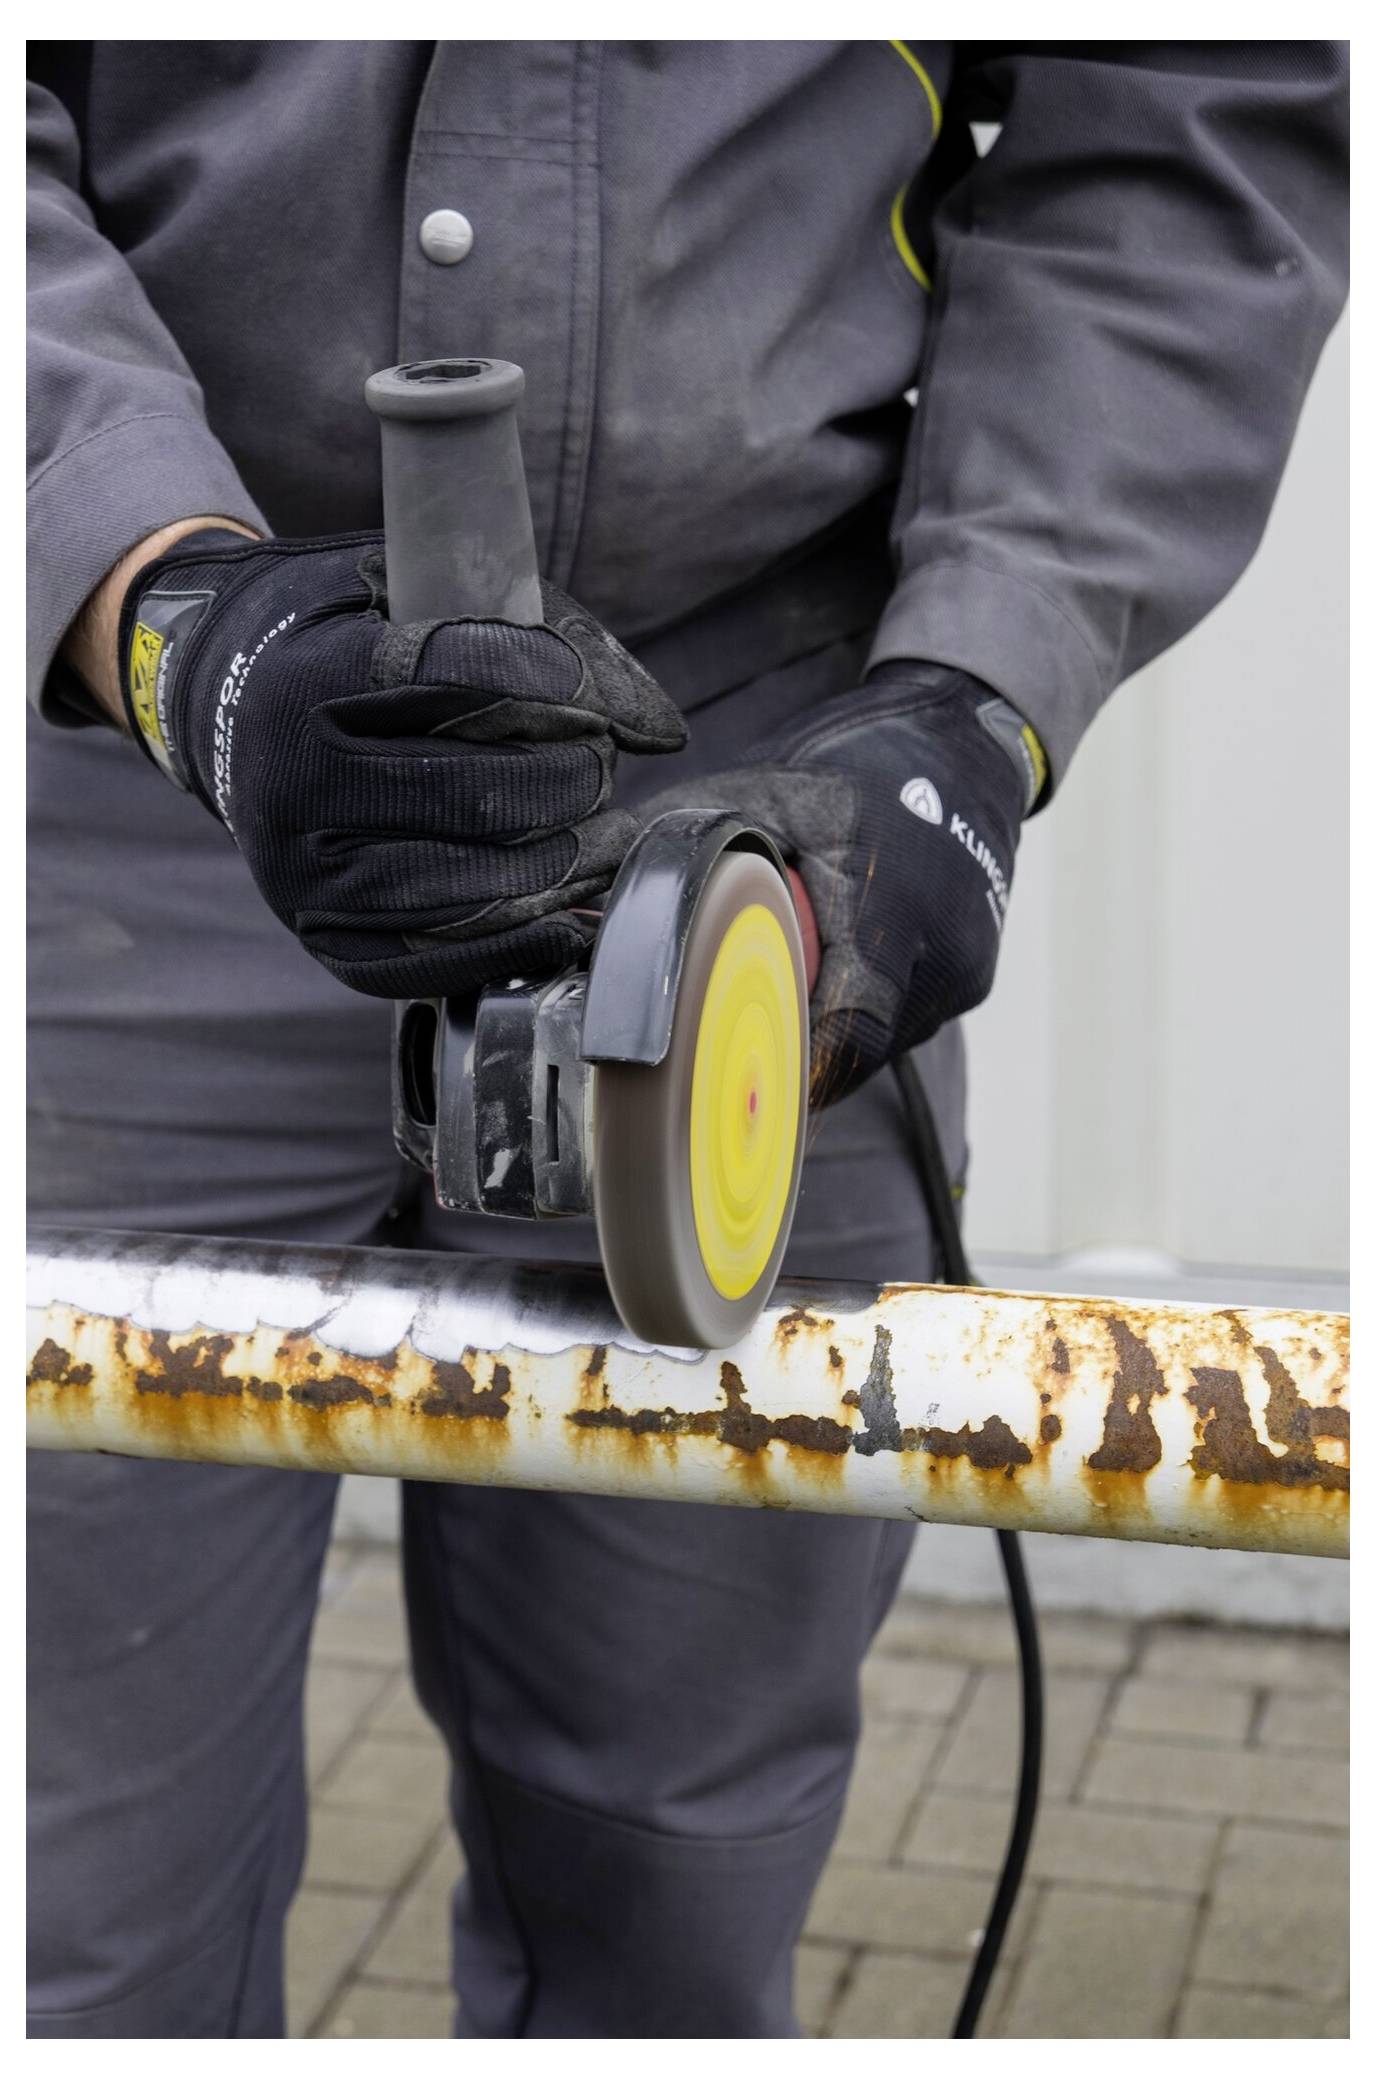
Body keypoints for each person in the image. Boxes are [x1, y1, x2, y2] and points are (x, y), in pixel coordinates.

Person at [27, 40, 1347, 2039]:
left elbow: (1184, 120)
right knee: (73, 1912)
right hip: (126, 777)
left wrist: (973, 707)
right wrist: (161, 606)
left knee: (664, 1911)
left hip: (751, 808)